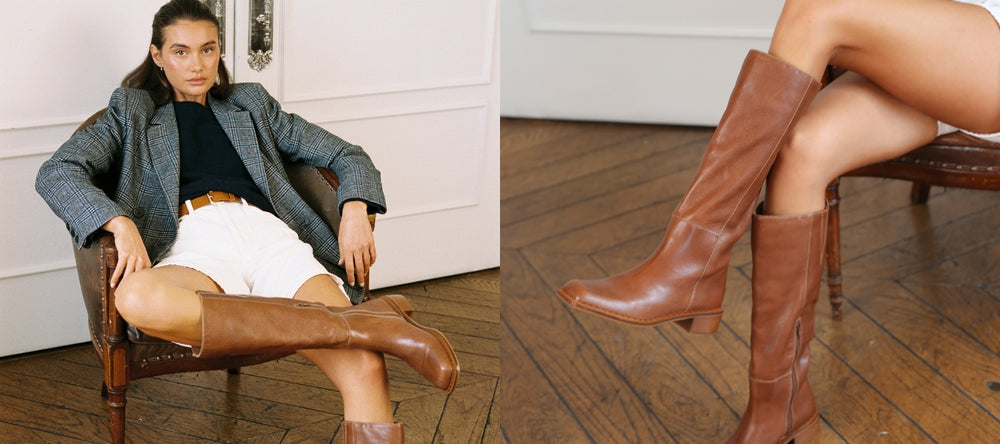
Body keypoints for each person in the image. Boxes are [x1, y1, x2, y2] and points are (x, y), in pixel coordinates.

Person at [557, 0, 1000, 442]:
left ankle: (689, 261)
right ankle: (779, 408)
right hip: (924, 47)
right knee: (801, 149)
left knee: (814, 9)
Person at [35, 1, 458, 442]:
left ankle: (361, 327)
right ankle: (375, 323)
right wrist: (119, 222)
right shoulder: (131, 112)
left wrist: (353, 206)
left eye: (208, 49)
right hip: (191, 240)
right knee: (138, 298)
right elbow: (57, 172)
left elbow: (346, 154)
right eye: (181, 51)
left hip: (267, 234)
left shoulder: (250, 105)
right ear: (158, 56)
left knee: (365, 365)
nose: (197, 65)